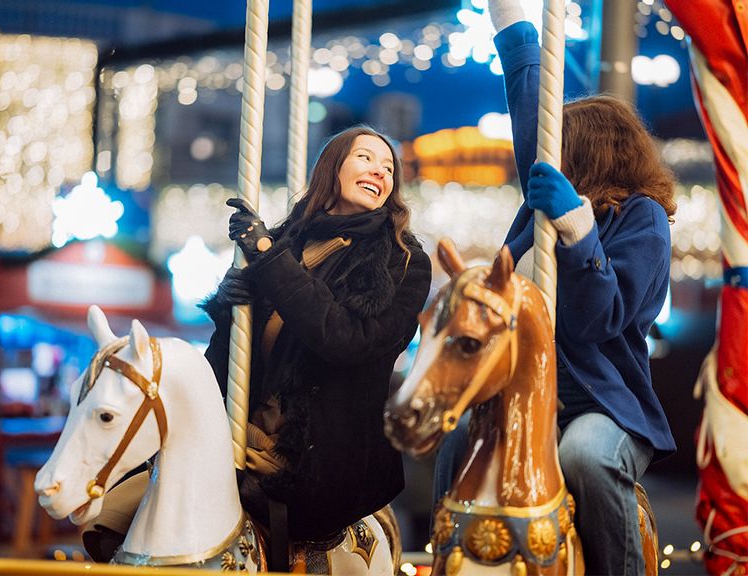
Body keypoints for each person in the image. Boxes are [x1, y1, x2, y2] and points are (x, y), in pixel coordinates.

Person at [432, 2, 678, 574]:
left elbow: (597, 321)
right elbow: (531, 122)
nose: (544, 158)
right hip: (523, 391)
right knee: (458, 438)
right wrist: (516, 37)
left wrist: (580, 234)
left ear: (590, 152)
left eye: (561, 146)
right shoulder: (538, 211)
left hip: (601, 402)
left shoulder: (641, 219)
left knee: (585, 456)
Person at [201, 125, 432, 557]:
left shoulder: (403, 262)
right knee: (126, 508)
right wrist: (230, 308)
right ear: (333, 167)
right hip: (239, 431)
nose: (380, 171)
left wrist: (268, 256)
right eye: (365, 158)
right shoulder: (288, 242)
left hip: (320, 455)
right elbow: (232, 360)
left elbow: (347, 340)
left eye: (388, 168)